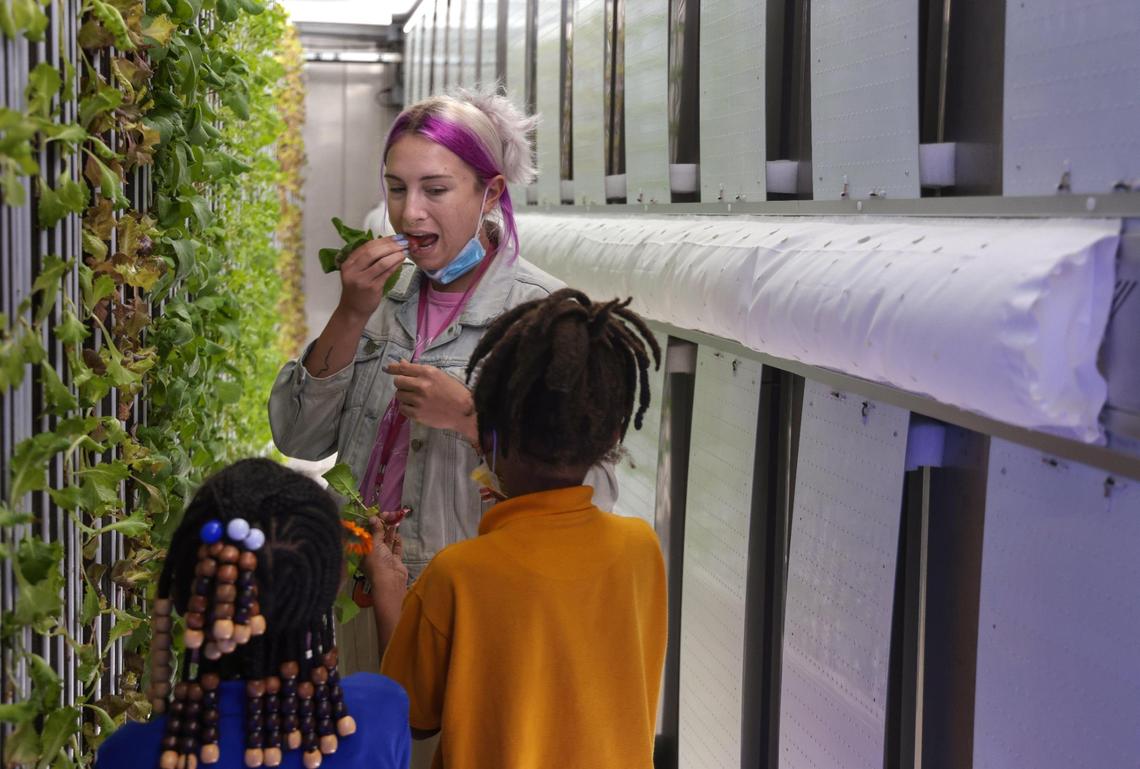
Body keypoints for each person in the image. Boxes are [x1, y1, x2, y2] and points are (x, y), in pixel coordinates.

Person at [268, 89, 617, 581]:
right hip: (355, 579)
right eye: (396, 188)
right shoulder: (379, 299)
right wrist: (349, 313)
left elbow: (592, 493)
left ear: (491, 193)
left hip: (468, 598)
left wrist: (474, 420)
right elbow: (298, 439)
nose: (410, 213)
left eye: (435, 190)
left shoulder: (549, 320)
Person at [365, 290, 668, 769]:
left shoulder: (459, 574)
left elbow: (409, 717)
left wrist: (390, 594)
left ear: (488, 435)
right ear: (611, 437)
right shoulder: (641, 549)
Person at [96, 459, 410, 769]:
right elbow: (396, 697)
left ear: (181, 596)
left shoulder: (129, 754)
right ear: (330, 589)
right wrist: (388, 594)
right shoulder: (376, 718)